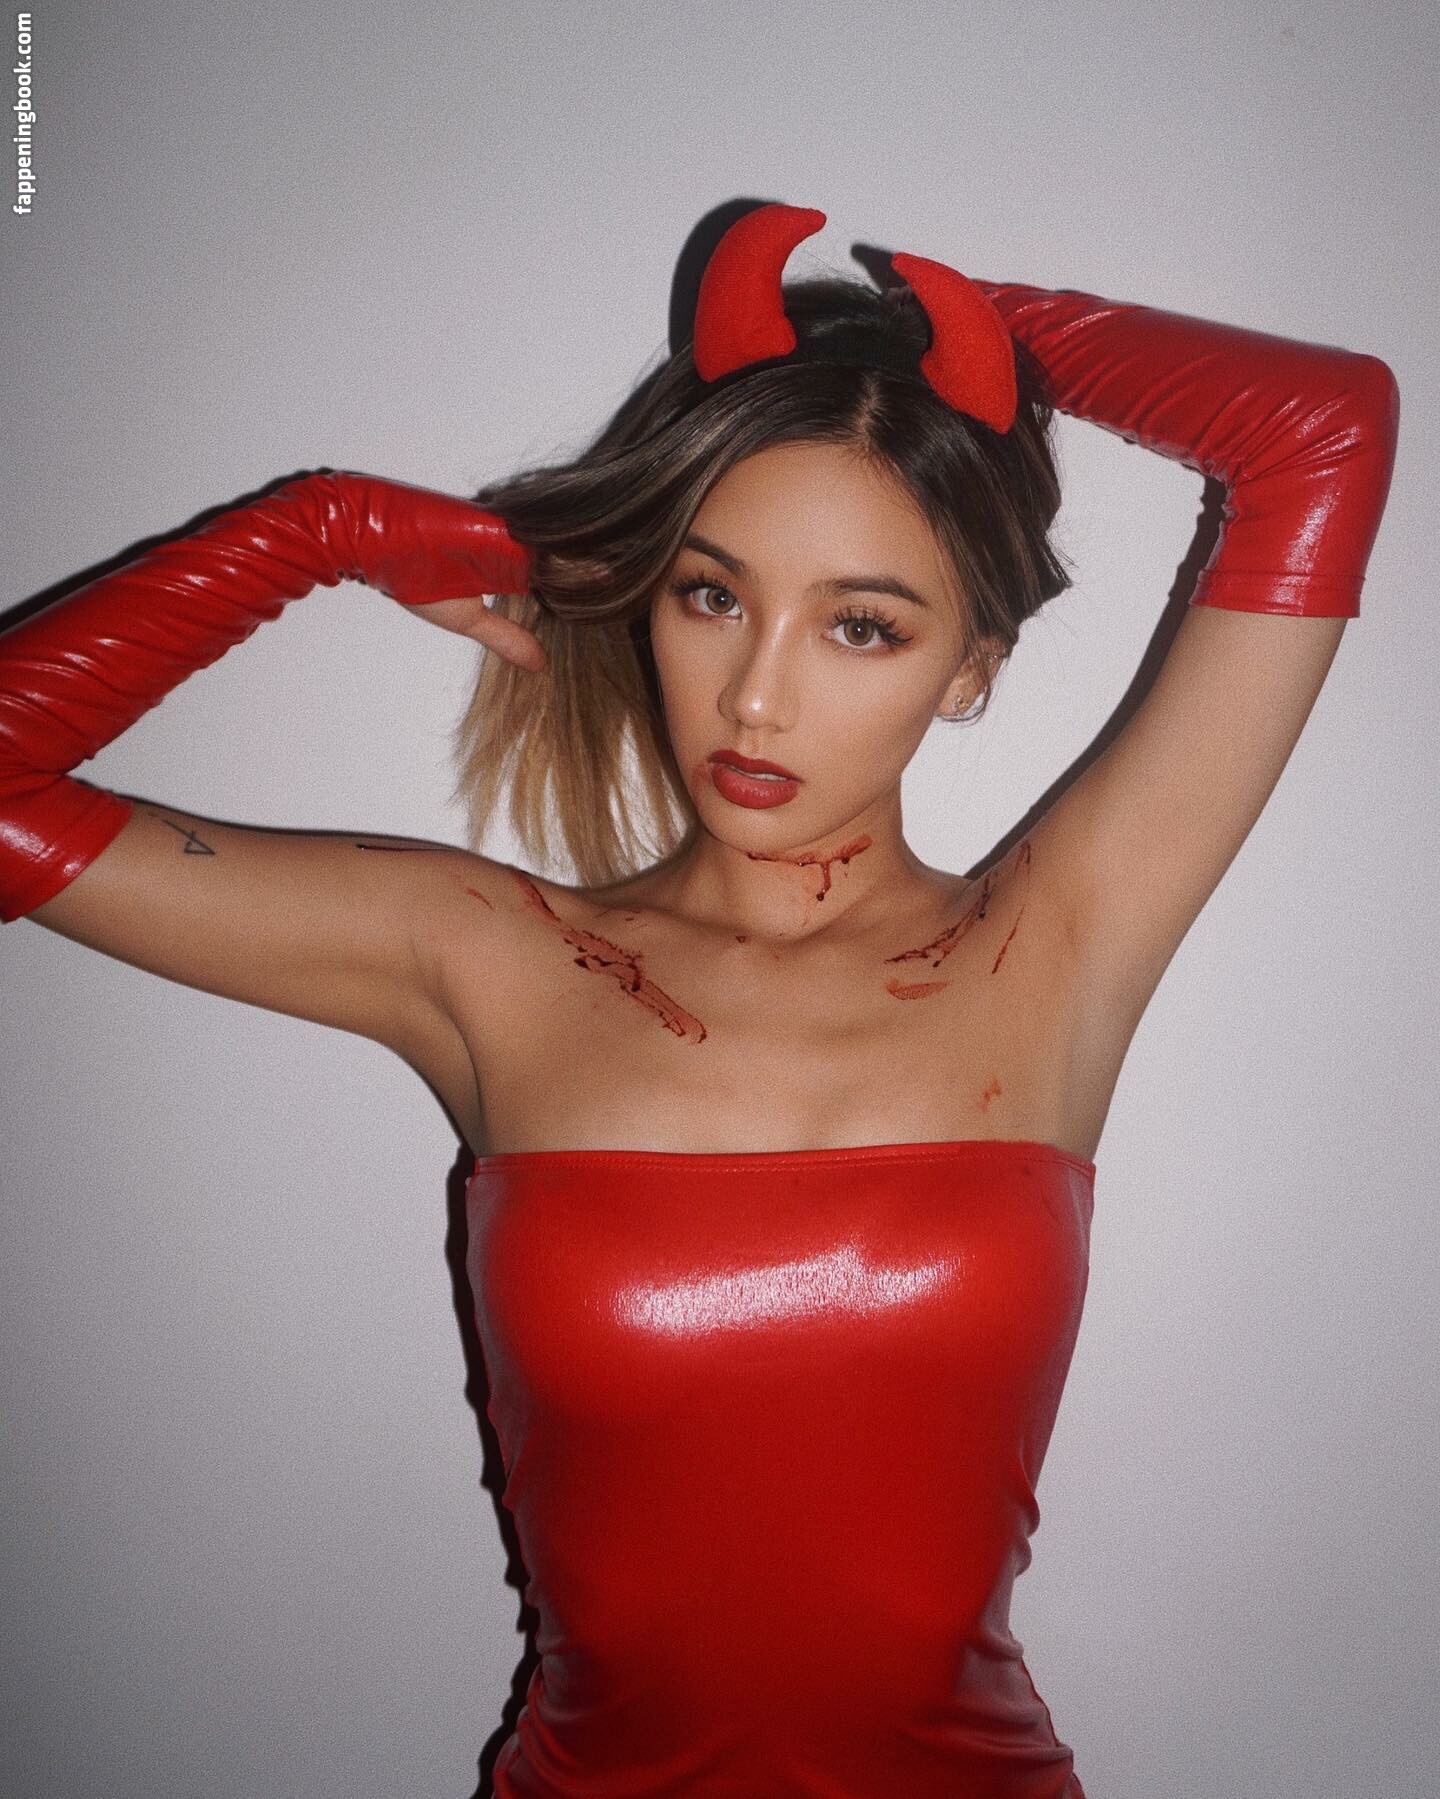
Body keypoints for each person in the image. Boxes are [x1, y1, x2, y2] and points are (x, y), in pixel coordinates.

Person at [0, 201, 1400, 1796]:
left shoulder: (1059, 946)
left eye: (861, 625)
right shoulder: (485, 961)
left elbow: (1324, 430)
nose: (757, 693)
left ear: (970, 667)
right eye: (712, 595)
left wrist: (985, 340)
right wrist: (313, 533)